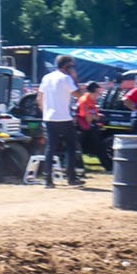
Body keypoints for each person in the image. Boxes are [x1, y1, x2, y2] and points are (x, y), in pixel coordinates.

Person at [36, 54, 83, 188]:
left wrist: (44, 112)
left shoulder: (47, 77)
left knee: (50, 149)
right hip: (64, 118)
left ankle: (47, 180)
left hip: (49, 118)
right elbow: (78, 95)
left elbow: (40, 97)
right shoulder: (66, 78)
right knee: (72, 147)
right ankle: (71, 177)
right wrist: (74, 79)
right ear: (66, 66)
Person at [76, 82, 104, 169]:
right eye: (98, 91)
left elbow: (94, 114)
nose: (100, 94)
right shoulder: (84, 100)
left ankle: (107, 165)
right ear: (93, 91)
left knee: (98, 144)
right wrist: (95, 117)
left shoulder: (92, 100)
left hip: (89, 126)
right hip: (82, 127)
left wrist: (95, 116)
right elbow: (88, 118)